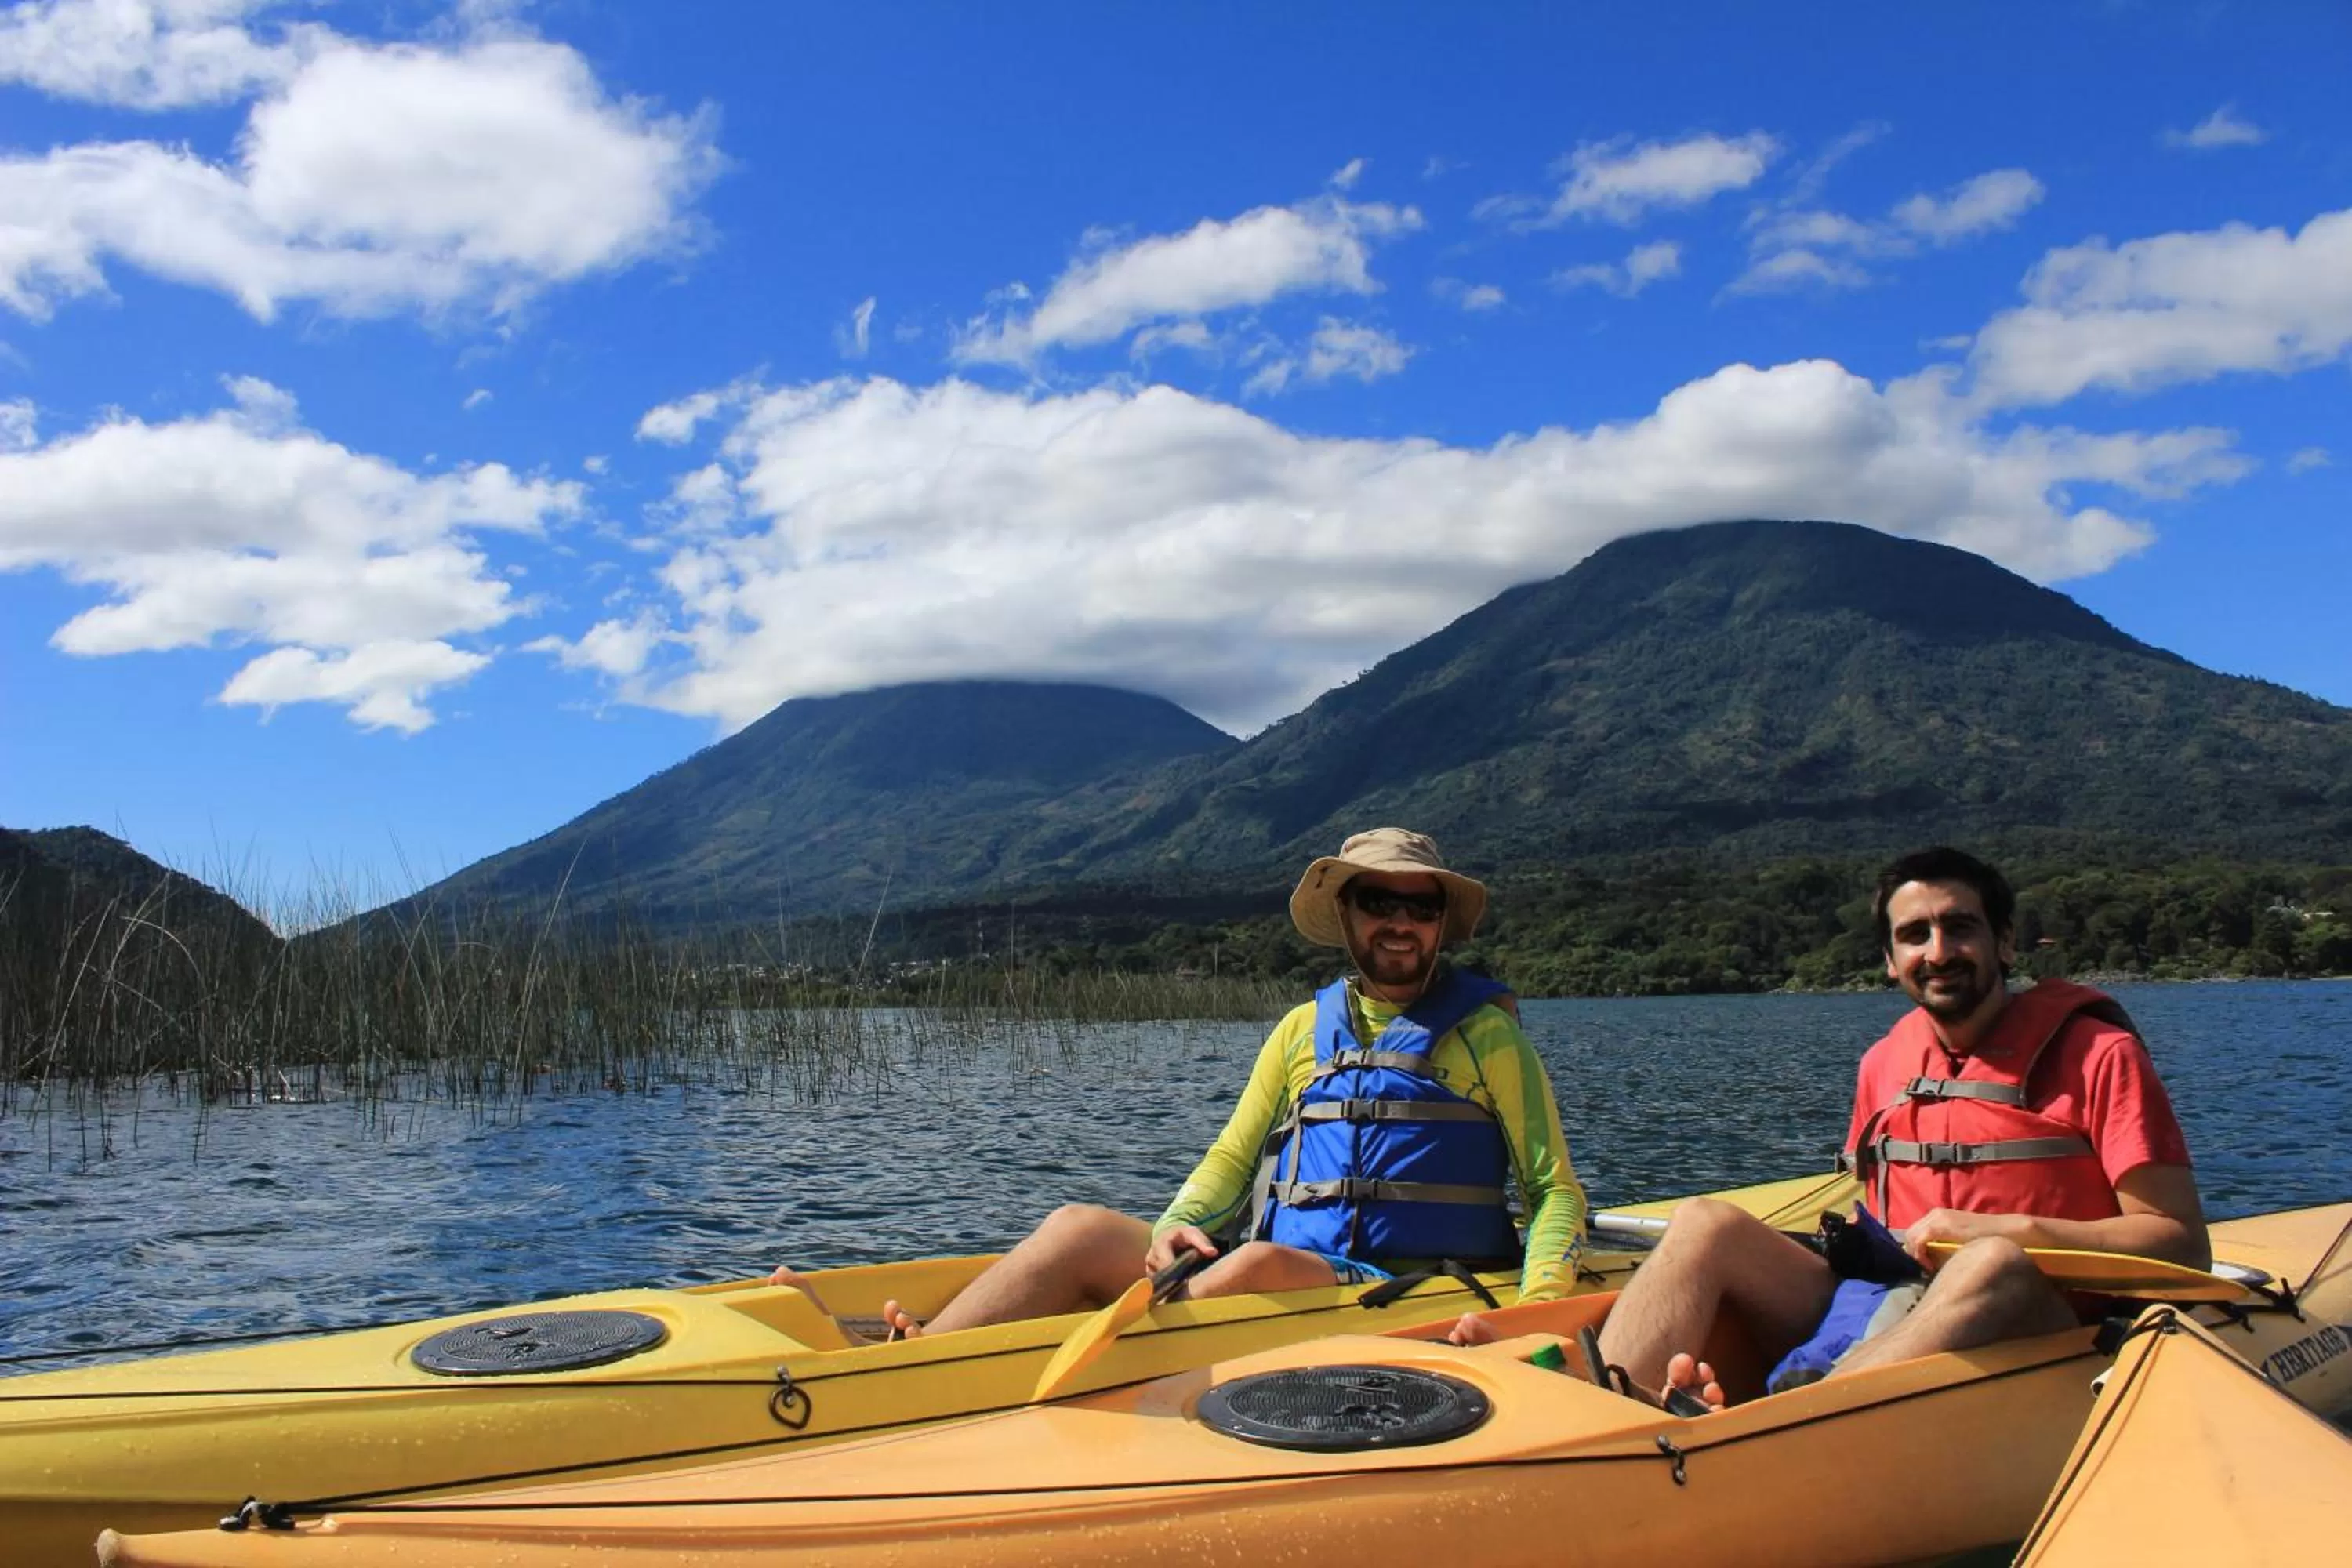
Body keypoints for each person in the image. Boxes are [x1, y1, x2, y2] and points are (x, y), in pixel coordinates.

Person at [1463, 845, 2206, 1408]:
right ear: (1889, 960)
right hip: (1893, 1303)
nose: (1938, 952)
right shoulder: (1885, 1064)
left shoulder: (2099, 1055)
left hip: (2041, 1318)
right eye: (1914, 934)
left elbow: (2179, 1243)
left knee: (1991, 1264)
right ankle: (1599, 1410)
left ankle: (1789, 1424)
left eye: (1960, 928)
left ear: (2005, 943)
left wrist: (2008, 1233)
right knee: (1705, 1222)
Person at [775, 827, 1588, 1339]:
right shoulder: (1301, 1031)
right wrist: (1173, 1228)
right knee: (1076, 1228)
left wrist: (1536, 1308)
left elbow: (1552, 1188)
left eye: (1421, 907)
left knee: (1253, 1264)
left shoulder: (1488, 1037)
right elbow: (1230, 1163)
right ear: (1347, 915)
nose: (1401, 922)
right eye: (1379, 901)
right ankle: (922, 1354)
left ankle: (994, 1356)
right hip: (1287, 1267)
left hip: (1406, 1283)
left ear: (1442, 923)